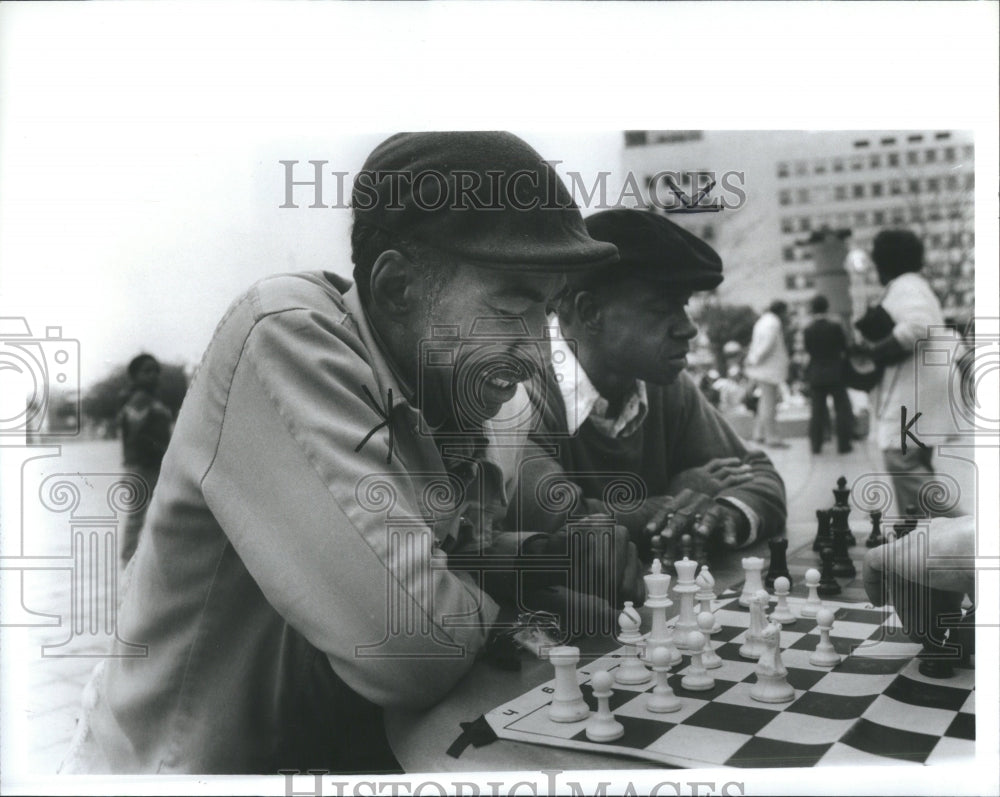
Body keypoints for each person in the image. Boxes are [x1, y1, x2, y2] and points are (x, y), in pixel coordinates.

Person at [61, 132, 644, 775]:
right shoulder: (285, 334)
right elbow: (412, 647)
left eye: (547, 314)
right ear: (397, 288)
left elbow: (444, 557)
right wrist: (495, 597)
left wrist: (539, 557)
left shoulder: (445, 389)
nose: (538, 351)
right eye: (511, 309)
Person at [523, 209, 786, 560]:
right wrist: (671, 503)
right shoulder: (521, 389)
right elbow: (548, 521)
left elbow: (760, 476)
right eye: (663, 308)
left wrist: (724, 512)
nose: (688, 328)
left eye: (684, 306)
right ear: (590, 312)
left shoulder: (666, 384)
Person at [856, 229, 951, 515]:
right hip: (920, 395)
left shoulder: (906, 286)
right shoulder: (915, 285)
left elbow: (917, 327)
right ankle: (925, 537)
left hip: (912, 398)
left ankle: (961, 537)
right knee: (914, 466)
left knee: (902, 463)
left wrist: (875, 351)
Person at [115, 353, 174, 566]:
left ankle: (137, 562)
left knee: (148, 517)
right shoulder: (139, 402)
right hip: (143, 468)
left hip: (149, 467)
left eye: (156, 370)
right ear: (134, 376)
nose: (154, 375)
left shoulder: (150, 401)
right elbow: (138, 436)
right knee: (139, 517)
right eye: (147, 371)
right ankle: (128, 563)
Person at [802, 295, 854, 455]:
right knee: (842, 409)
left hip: (816, 372)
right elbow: (844, 347)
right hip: (835, 372)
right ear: (827, 307)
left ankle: (816, 445)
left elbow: (808, 350)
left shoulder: (808, 329)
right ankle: (844, 445)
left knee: (817, 411)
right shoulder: (835, 326)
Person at [745, 300, 790, 448]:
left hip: (762, 369)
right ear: (781, 311)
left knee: (764, 402)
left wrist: (753, 359)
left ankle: (758, 434)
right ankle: (772, 437)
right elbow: (767, 344)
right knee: (770, 404)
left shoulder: (763, 321)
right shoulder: (773, 323)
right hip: (769, 370)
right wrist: (755, 359)